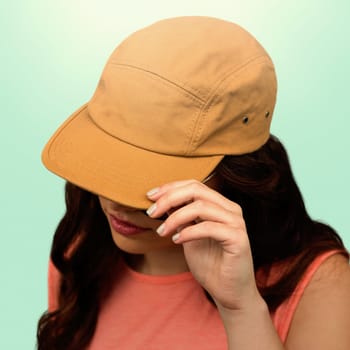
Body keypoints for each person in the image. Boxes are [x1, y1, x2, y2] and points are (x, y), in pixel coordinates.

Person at [36, 16, 350, 350]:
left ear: (236, 172)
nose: (117, 202)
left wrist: (241, 309)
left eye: (150, 176)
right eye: (110, 161)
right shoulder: (81, 254)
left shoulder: (321, 286)